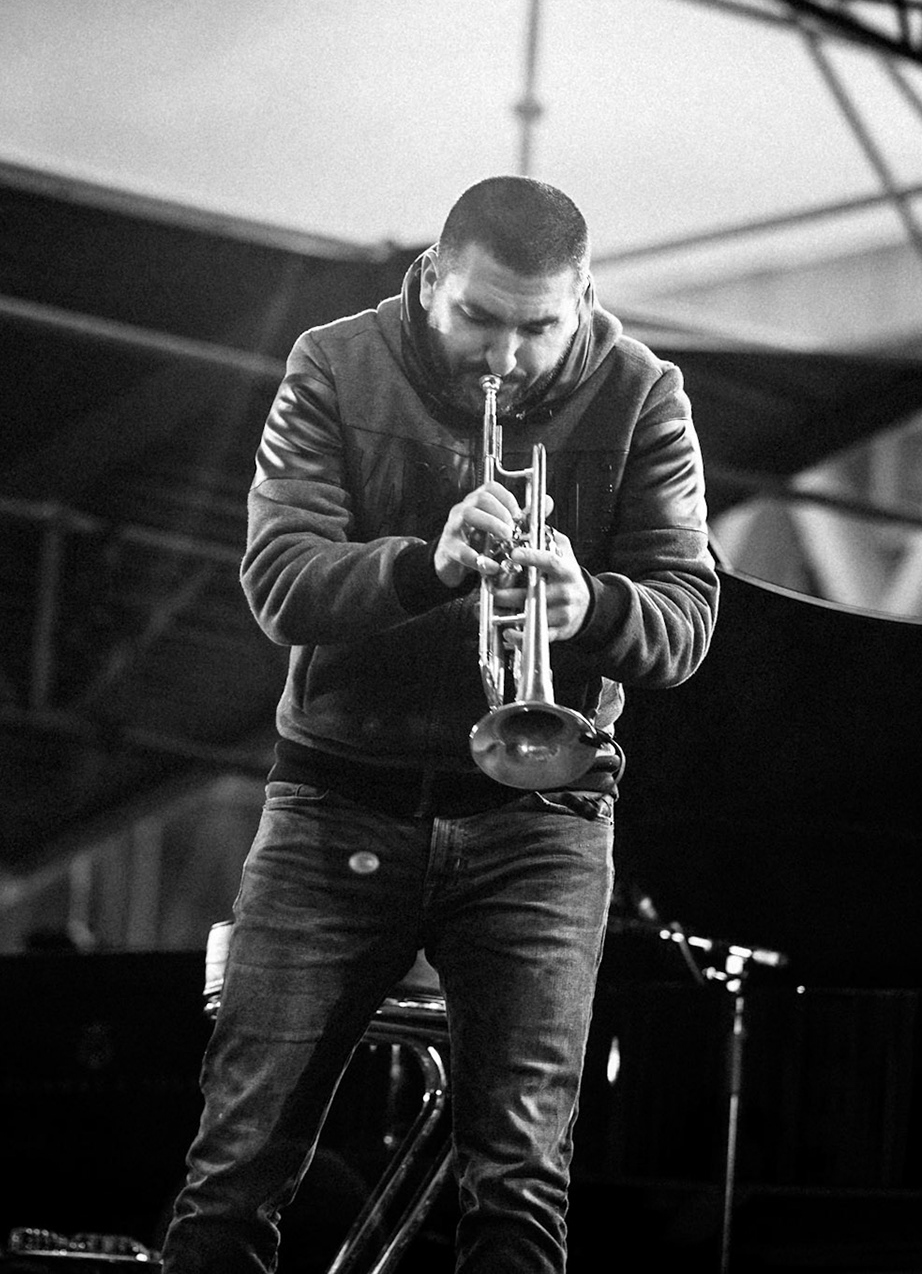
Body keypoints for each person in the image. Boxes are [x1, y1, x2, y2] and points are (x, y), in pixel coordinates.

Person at [160, 175, 718, 1273]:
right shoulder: (333, 361)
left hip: (540, 820)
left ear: (584, 298)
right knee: (234, 1172)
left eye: (538, 328)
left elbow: (689, 621)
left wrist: (590, 605)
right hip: (338, 797)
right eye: (478, 318)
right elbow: (280, 582)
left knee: (518, 1191)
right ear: (428, 282)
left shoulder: (645, 394)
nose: (505, 358)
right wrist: (427, 563)